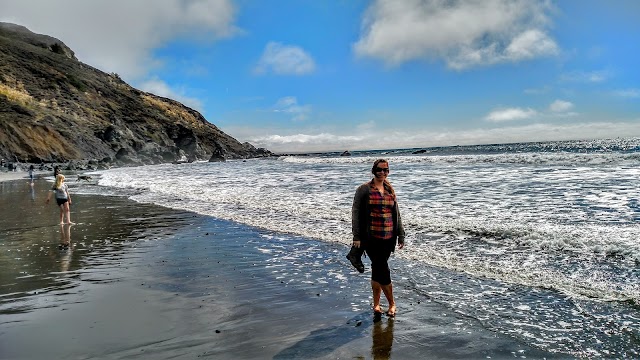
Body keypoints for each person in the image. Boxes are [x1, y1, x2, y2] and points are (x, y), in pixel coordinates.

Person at [350, 159, 405, 320]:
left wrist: (401, 234)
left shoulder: (389, 189)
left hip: (388, 238)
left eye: (385, 170)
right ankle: (392, 304)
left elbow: (396, 214)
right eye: (379, 170)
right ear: (373, 171)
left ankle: (376, 304)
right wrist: (357, 237)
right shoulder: (364, 189)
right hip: (371, 238)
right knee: (383, 269)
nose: (382, 173)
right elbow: (356, 213)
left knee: (377, 269)